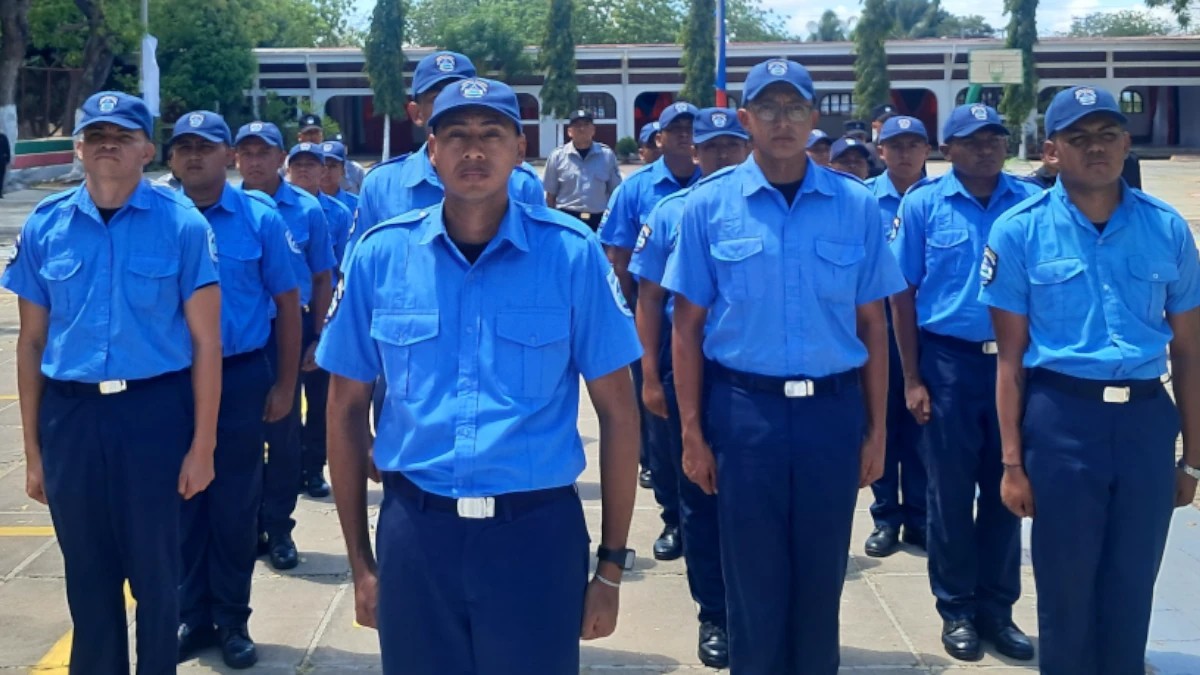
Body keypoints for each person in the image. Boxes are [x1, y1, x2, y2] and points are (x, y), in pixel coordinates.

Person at [317, 77, 643, 675]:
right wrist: (361, 564)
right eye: (456, 135)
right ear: (431, 150)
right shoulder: (380, 256)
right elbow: (343, 410)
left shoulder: (571, 254)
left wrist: (611, 569)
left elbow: (619, 415)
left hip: (535, 538)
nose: (473, 150)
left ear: (520, 149)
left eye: (491, 134)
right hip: (418, 534)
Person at [663, 59, 905, 675]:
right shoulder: (709, 205)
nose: (782, 121)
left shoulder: (855, 205)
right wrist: (691, 433)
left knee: (822, 576)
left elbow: (873, 325)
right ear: (745, 119)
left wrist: (877, 430)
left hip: (831, 412)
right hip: (746, 413)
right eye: (768, 109)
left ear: (813, 116)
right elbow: (686, 328)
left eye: (794, 107)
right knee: (752, 579)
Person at [982, 85, 1200, 675]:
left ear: (1127, 144)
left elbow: (1188, 349)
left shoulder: (1166, 228)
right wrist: (1012, 463)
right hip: (1062, 421)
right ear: (1052, 152)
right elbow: (1009, 360)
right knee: (1066, 588)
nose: (1096, 148)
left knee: (1133, 583)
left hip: (1145, 420)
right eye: (1078, 138)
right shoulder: (1018, 231)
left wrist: (1192, 459)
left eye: (1107, 135)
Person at [3, 91, 221, 674]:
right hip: (71, 418)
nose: (108, 145)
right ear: (78, 148)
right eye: (96, 135)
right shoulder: (46, 225)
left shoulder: (182, 224)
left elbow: (206, 343)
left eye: (123, 136)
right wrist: (34, 453)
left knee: (157, 576)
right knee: (88, 577)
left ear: (147, 150)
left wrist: (203, 446)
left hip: (153, 415)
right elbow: (31, 343)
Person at [889, 103, 1041, 662]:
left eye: (994, 138)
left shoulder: (1031, 202)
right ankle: (955, 609)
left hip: (1018, 363)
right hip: (949, 364)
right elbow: (901, 294)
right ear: (947, 149)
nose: (986, 148)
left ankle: (997, 610)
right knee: (949, 495)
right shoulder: (923, 204)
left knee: (1009, 489)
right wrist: (912, 377)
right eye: (973, 140)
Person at [169, 110, 301, 669]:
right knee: (179, 502)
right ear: (171, 158)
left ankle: (231, 619)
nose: (195, 156)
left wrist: (286, 384)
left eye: (207, 146)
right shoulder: (157, 216)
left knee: (233, 503)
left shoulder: (259, 218)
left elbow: (289, 305)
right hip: (171, 382)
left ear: (229, 156)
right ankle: (190, 615)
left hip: (241, 376)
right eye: (184, 147)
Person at [627, 107, 748, 669]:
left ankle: (755, 611)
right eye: (712, 146)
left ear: (746, 148)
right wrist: (650, 377)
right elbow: (649, 300)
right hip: (689, 368)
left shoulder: (765, 208)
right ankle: (715, 614)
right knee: (699, 495)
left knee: (754, 500)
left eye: (732, 145)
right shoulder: (672, 211)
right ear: (694, 153)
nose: (722, 155)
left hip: (751, 377)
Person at [600, 100, 702, 563]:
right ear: (658, 138)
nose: (684, 136)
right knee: (660, 431)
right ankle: (673, 517)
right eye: (674, 129)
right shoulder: (637, 190)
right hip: (656, 326)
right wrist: (625, 327)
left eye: (690, 129)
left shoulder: (717, 183)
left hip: (710, 332)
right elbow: (619, 261)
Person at [234, 121, 336, 571]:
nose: (255, 162)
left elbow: (321, 277)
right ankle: (247, 524)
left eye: (264, 153)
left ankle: (278, 527)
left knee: (283, 431)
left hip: (288, 330)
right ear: (235, 158)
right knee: (238, 436)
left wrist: (318, 335)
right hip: (239, 335)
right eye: (247, 153)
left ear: (281, 159)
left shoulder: (307, 209)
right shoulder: (221, 207)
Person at [348, 51, 545, 258]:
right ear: (416, 113)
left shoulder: (521, 182)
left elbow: (541, 252)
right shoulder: (381, 184)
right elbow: (362, 259)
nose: (452, 101)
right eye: (437, 98)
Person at [862, 115, 931, 559]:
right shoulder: (864, 201)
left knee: (923, 428)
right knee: (881, 421)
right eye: (895, 145)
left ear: (927, 149)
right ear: (880, 151)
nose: (905, 153)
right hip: (878, 327)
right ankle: (886, 516)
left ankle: (921, 517)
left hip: (930, 328)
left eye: (913, 144)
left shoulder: (941, 197)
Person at [285, 142, 352, 498]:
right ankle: (289, 466)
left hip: (321, 311)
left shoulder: (338, 213)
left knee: (320, 398)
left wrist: (327, 326)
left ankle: (313, 467)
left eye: (313, 165)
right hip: (283, 315)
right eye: (298, 164)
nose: (306, 171)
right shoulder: (273, 209)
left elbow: (340, 271)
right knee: (285, 397)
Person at [543, 109, 623, 231]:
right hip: (567, 218)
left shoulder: (606, 155)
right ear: (569, 131)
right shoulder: (557, 156)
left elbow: (615, 193)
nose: (582, 129)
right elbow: (550, 196)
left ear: (593, 130)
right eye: (577, 125)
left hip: (598, 219)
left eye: (586, 125)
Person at [297, 113, 365, 194]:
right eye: (308, 133)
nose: (312, 137)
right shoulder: (291, 162)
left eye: (316, 133)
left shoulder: (355, 169)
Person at [319, 140, 360, 214]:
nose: (326, 171)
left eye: (333, 166)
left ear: (343, 170)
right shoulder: (305, 203)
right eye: (323, 165)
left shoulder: (357, 204)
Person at [0, 130, 10, 198]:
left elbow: (7, 148)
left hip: (1, 161)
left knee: (1, 177)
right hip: (2, 160)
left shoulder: (3, 137)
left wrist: (7, 159)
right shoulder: (3, 137)